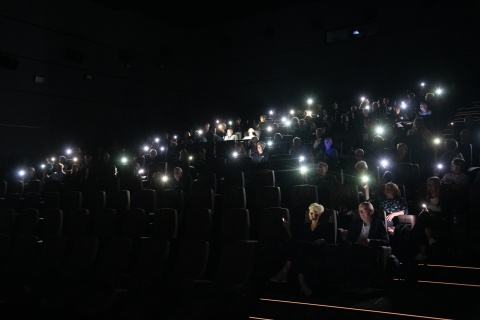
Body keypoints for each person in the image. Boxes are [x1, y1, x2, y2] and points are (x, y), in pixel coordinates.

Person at [270, 203, 334, 296]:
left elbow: (331, 239)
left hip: (315, 249)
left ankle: (284, 272)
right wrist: (287, 229)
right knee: (298, 253)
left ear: (319, 214)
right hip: (304, 250)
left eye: (314, 212)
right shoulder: (306, 226)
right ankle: (302, 284)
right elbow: (295, 239)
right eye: (310, 212)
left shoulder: (324, 226)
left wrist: (323, 239)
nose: (311, 214)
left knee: (295, 245)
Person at [339, 201, 389, 289]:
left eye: (364, 210)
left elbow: (385, 241)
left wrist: (370, 241)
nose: (361, 213)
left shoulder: (379, 224)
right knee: (343, 249)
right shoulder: (355, 223)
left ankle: (357, 282)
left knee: (356, 252)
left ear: (371, 211)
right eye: (359, 211)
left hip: (369, 248)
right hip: (354, 247)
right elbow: (349, 239)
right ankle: (345, 281)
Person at [412, 177, 445, 261]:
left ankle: (422, 252)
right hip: (427, 218)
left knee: (421, 223)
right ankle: (430, 240)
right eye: (428, 184)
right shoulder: (425, 196)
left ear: (437, 185)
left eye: (432, 184)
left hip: (438, 218)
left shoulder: (443, 197)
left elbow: (447, 211)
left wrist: (434, 213)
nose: (429, 186)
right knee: (423, 216)